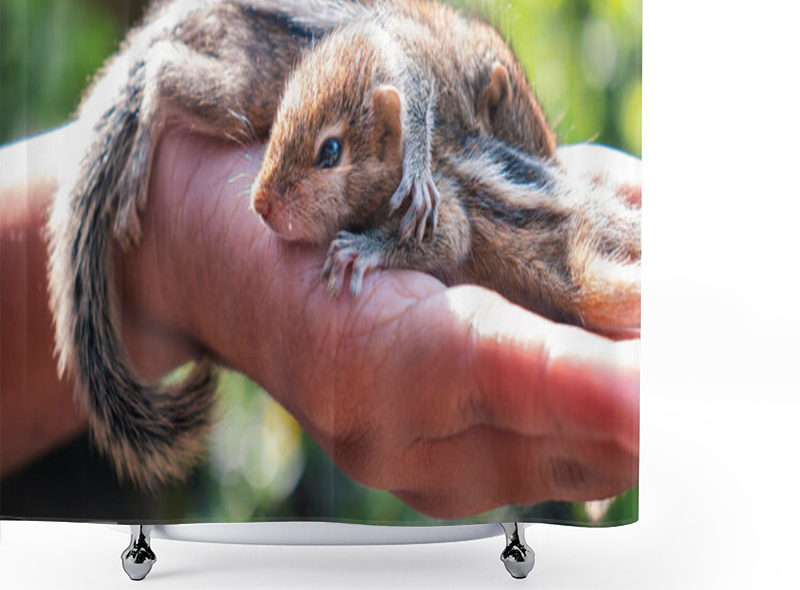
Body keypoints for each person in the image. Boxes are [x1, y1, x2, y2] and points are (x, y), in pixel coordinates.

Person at [0, 124, 639, 519]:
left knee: (616, 294)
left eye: (327, 153)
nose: (261, 201)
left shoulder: (410, 190)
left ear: (386, 145)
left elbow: (448, 234)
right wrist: (184, 229)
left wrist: (377, 250)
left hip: (557, 250)